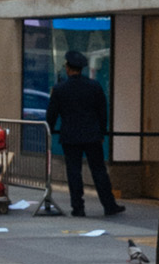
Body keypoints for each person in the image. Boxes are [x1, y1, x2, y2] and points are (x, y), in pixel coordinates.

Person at [47, 51, 124, 218]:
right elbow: (102, 111)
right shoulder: (94, 86)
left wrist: (50, 129)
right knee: (99, 171)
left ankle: (78, 207)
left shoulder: (60, 89)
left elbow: (51, 114)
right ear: (81, 69)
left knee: (74, 172)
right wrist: (101, 131)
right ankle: (109, 205)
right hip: (92, 135)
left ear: (68, 68)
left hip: (70, 136)